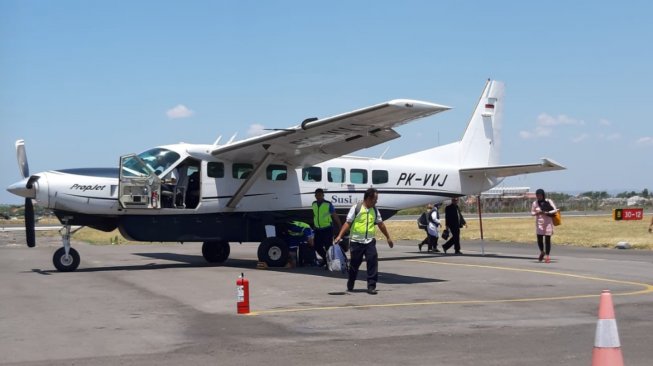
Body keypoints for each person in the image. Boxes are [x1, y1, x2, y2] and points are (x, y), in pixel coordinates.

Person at [334, 188, 394, 295]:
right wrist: (339, 236)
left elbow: (380, 224)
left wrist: (388, 237)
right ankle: (351, 281)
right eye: (375, 199)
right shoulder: (356, 208)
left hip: (369, 241)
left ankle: (371, 286)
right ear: (368, 198)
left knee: (372, 262)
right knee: (354, 264)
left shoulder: (374, 210)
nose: (376, 201)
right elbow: (348, 223)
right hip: (356, 241)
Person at [311, 188, 342, 267]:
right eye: (317, 195)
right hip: (318, 229)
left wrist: (340, 226)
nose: (318, 197)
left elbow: (334, 215)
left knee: (328, 247)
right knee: (317, 246)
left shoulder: (328, 204)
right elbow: (315, 216)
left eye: (320, 195)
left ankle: (329, 262)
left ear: (323, 195)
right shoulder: (313, 204)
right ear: (315, 196)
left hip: (327, 228)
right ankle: (326, 260)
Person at [531, 188, 559, 263]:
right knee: (539, 239)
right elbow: (532, 213)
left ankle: (547, 256)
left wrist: (546, 212)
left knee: (547, 239)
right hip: (539, 223)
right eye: (537, 195)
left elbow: (555, 210)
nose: (539, 197)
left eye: (540, 195)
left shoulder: (548, 201)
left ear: (543, 195)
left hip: (548, 223)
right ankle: (542, 252)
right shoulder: (535, 203)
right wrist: (537, 213)